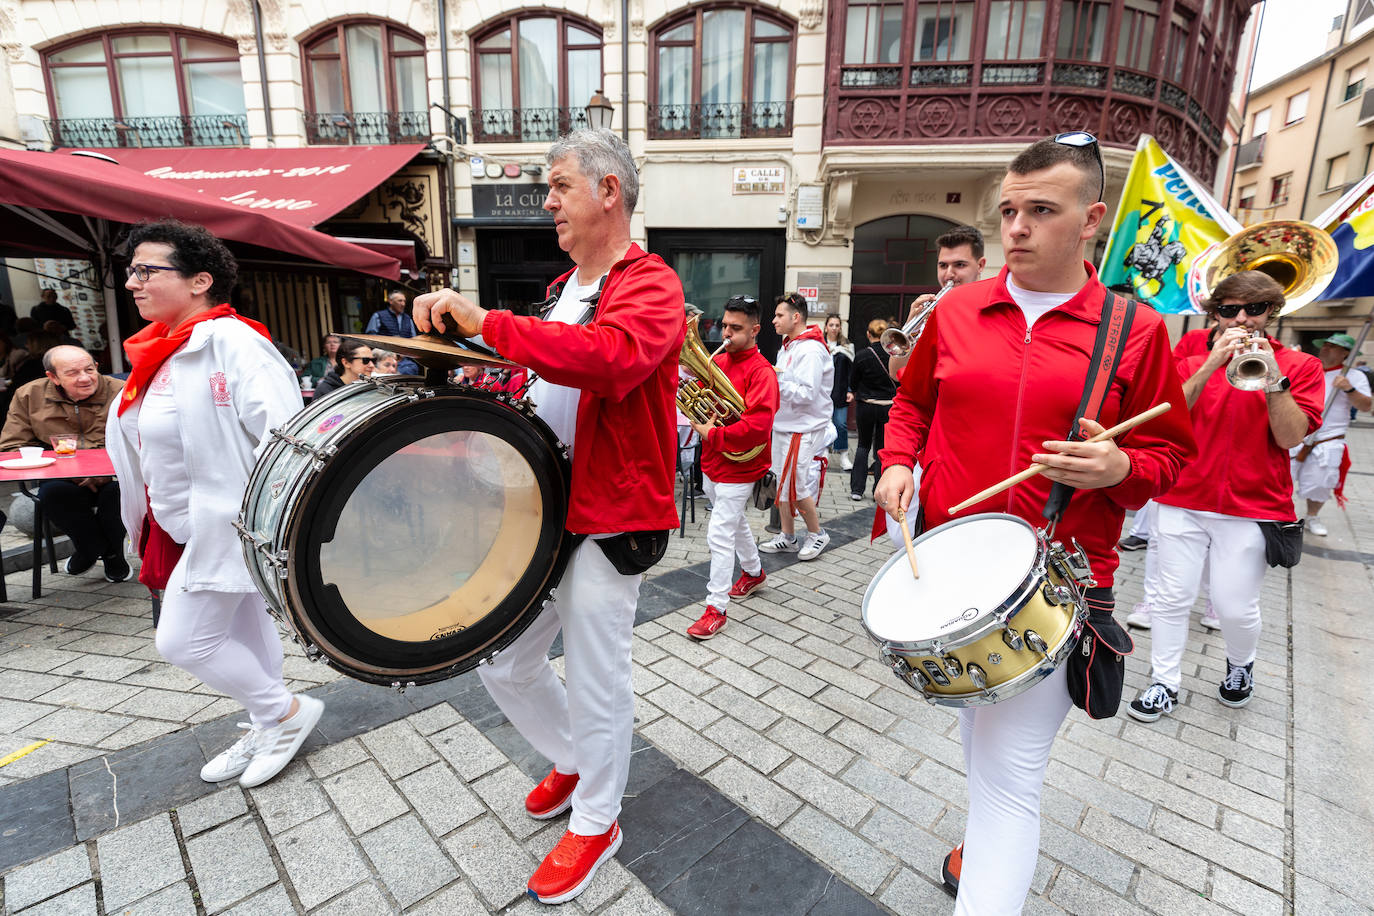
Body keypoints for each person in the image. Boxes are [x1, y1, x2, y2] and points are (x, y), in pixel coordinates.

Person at [874, 134, 1195, 913]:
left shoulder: (1136, 330)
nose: (1015, 228)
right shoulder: (955, 310)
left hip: (1056, 582)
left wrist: (1122, 469)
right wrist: (897, 461)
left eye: (1040, 211)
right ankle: (981, 840)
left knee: (1011, 777)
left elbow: (1170, 453)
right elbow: (915, 403)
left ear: (1092, 220)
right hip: (950, 566)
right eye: (1009, 210)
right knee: (983, 750)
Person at [412, 128, 683, 905]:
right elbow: (548, 381)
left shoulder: (652, 279)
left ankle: (599, 819)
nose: (547, 201)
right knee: (504, 661)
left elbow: (611, 359)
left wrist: (487, 324)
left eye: (560, 185)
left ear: (609, 192)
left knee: (599, 677)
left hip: (611, 512)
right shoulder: (567, 287)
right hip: (545, 510)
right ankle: (575, 758)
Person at [106, 219, 323, 789]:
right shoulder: (163, 352)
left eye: (147, 270)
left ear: (200, 281)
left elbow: (288, 438)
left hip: (230, 524)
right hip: (184, 523)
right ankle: (265, 720)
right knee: (246, 629)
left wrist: (276, 526)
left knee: (182, 640)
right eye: (132, 271)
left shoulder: (235, 343)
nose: (133, 282)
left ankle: (287, 713)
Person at [1128, 271, 1323, 724]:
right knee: (1171, 599)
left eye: (1254, 310)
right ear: (1214, 313)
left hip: (1253, 505)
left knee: (1236, 607)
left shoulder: (1301, 365)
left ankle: (1241, 665)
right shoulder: (1187, 350)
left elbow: (1290, 436)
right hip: (1181, 495)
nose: (1242, 319)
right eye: (1229, 309)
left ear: (1272, 313)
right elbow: (1164, 417)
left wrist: (1275, 380)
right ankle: (1164, 682)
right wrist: (1211, 363)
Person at [685, 295, 779, 639]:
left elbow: (758, 426)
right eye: (724, 325)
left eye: (735, 328)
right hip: (712, 461)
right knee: (735, 521)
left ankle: (716, 608)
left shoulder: (762, 372)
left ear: (754, 330)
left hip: (739, 467)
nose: (726, 333)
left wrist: (715, 434)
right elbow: (701, 395)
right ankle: (753, 573)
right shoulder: (718, 360)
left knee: (719, 534)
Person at [0, 345, 128, 580]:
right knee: (55, 494)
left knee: (118, 494)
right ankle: (92, 548)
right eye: (72, 373)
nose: (85, 378)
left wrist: (103, 469)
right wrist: (70, 470)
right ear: (52, 377)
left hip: (115, 474)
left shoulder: (121, 390)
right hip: (61, 476)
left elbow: (140, 438)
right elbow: (11, 447)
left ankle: (110, 555)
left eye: (90, 369)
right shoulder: (29, 395)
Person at [759, 292, 834, 561]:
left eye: (779, 315)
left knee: (799, 485)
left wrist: (773, 379)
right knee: (782, 482)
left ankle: (817, 534)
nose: (773, 320)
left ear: (796, 317)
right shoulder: (790, 345)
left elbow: (807, 394)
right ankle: (788, 537)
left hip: (802, 428)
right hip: (787, 426)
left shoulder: (811, 349)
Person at [1290, 332, 1371, 536]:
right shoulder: (1309, 370)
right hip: (1297, 435)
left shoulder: (1354, 376)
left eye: (1332, 346)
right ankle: (1279, 514)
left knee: (1320, 483)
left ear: (1345, 353)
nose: (1325, 348)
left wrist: (1349, 389)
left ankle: (1312, 516)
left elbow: (1366, 406)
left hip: (1328, 439)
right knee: (1282, 479)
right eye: (1325, 344)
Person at [887, 225, 987, 382]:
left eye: (959, 265)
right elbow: (897, 373)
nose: (949, 274)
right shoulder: (932, 311)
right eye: (943, 265)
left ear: (980, 265)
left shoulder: (991, 307)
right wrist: (911, 327)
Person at [848, 319, 897, 501]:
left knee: (863, 445)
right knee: (882, 448)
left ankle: (857, 490)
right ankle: (879, 490)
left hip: (866, 405)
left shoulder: (861, 355)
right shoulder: (894, 355)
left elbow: (853, 383)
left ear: (869, 334)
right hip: (888, 407)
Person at [823, 313, 855, 472]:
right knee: (822, 424)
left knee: (841, 424)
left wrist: (850, 390)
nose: (834, 328)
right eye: (831, 325)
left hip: (841, 391)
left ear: (840, 327)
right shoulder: (819, 344)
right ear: (826, 326)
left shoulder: (847, 347)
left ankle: (843, 456)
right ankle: (823, 455)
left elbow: (851, 372)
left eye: (837, 325)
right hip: (822, 392)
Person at [365, 290, 421, 375]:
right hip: (383, 359)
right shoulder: (379, 316)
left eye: (404, 301)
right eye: (400, 301)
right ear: (390, 301)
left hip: (404, 361)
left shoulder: (408, 318)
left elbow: (414, 340)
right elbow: (371, 337)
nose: (403, 304)